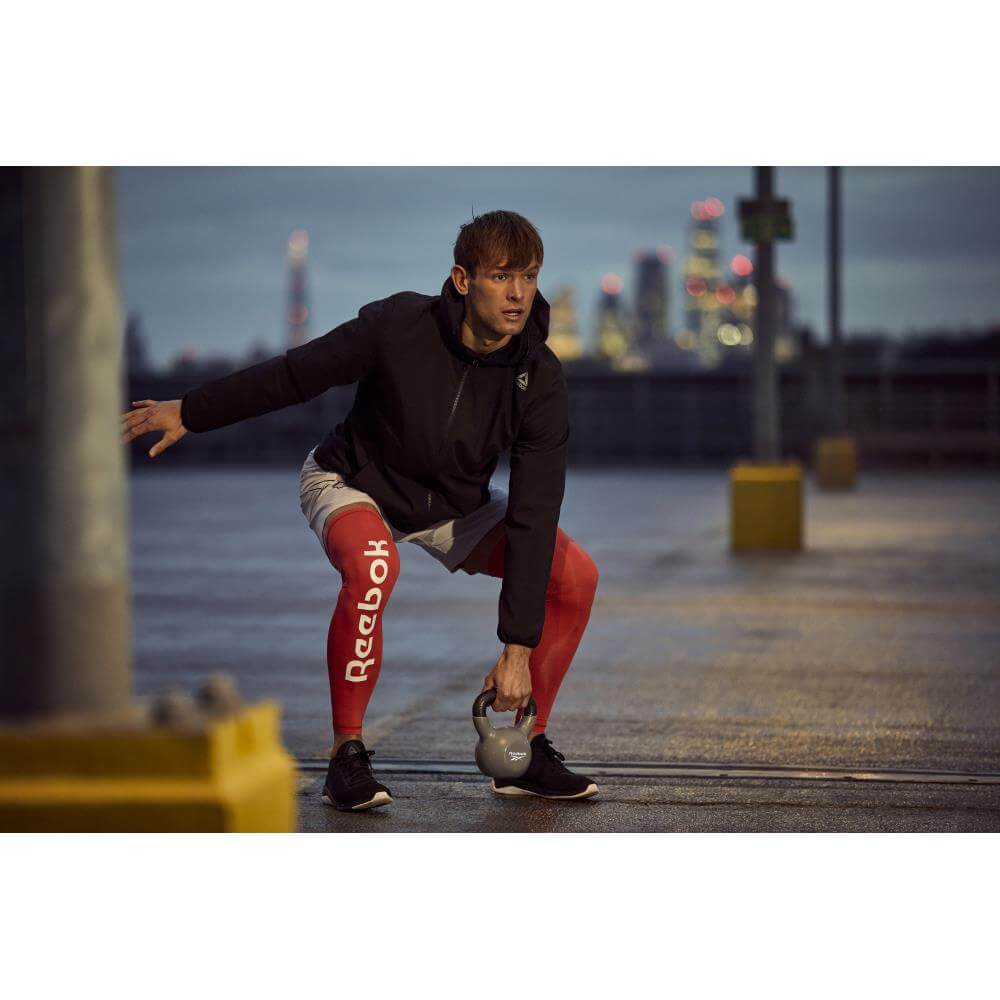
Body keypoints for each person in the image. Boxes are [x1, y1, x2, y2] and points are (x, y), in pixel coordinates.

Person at [121, 210, 600, 811]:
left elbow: (535, 506)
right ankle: (346, 756)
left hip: (454, 503)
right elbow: (297, 375)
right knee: (375, 564)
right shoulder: (399, 325)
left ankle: (524, 752)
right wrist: (192, 411)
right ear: (461, 279)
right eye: (502, 277)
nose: (518, 294)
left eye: (528, 277)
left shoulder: (539, 377)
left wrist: (517, 648)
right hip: (353, 481)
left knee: (574, 575)